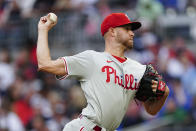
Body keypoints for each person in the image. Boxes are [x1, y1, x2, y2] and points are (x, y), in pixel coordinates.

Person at [36, 13, 169, 131]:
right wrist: (43, 30)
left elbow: (151, 110)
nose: (132, 33)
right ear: (112, 31)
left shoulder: (139, 69)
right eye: (127, 29)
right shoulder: (92, 59)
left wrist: (163, 94)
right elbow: (44, 64)